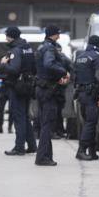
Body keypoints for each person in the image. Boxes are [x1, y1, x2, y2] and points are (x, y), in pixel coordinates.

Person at [0, 26, 37, 156]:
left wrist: (4, 64)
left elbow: (14, 69)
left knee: (18, 117)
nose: (6, 39)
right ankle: (32, 145)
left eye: (7, 36)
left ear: (11, 36)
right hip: (28, 86)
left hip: (18, 87)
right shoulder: (28, 48)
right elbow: (34, 68)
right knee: (25, 117)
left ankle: (19, 147)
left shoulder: (16, 50)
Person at [34, 26, 68, 166]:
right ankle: (42, 158)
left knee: (45, 124)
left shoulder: (41, 47)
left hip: (41, 88)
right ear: (55, 35)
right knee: (48, 125)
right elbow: (49, 64)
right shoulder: (49, 48)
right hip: (49, 90)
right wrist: (63, 72)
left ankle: (46, 156)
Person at [74, 34, 99, 161]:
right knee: (91, 122)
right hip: (92, 94)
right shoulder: (97, 57)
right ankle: (81, 150)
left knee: (88, 122)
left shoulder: (80, 56)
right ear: (98, 45)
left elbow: (74, 76)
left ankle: (92, 151)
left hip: (81, 94)